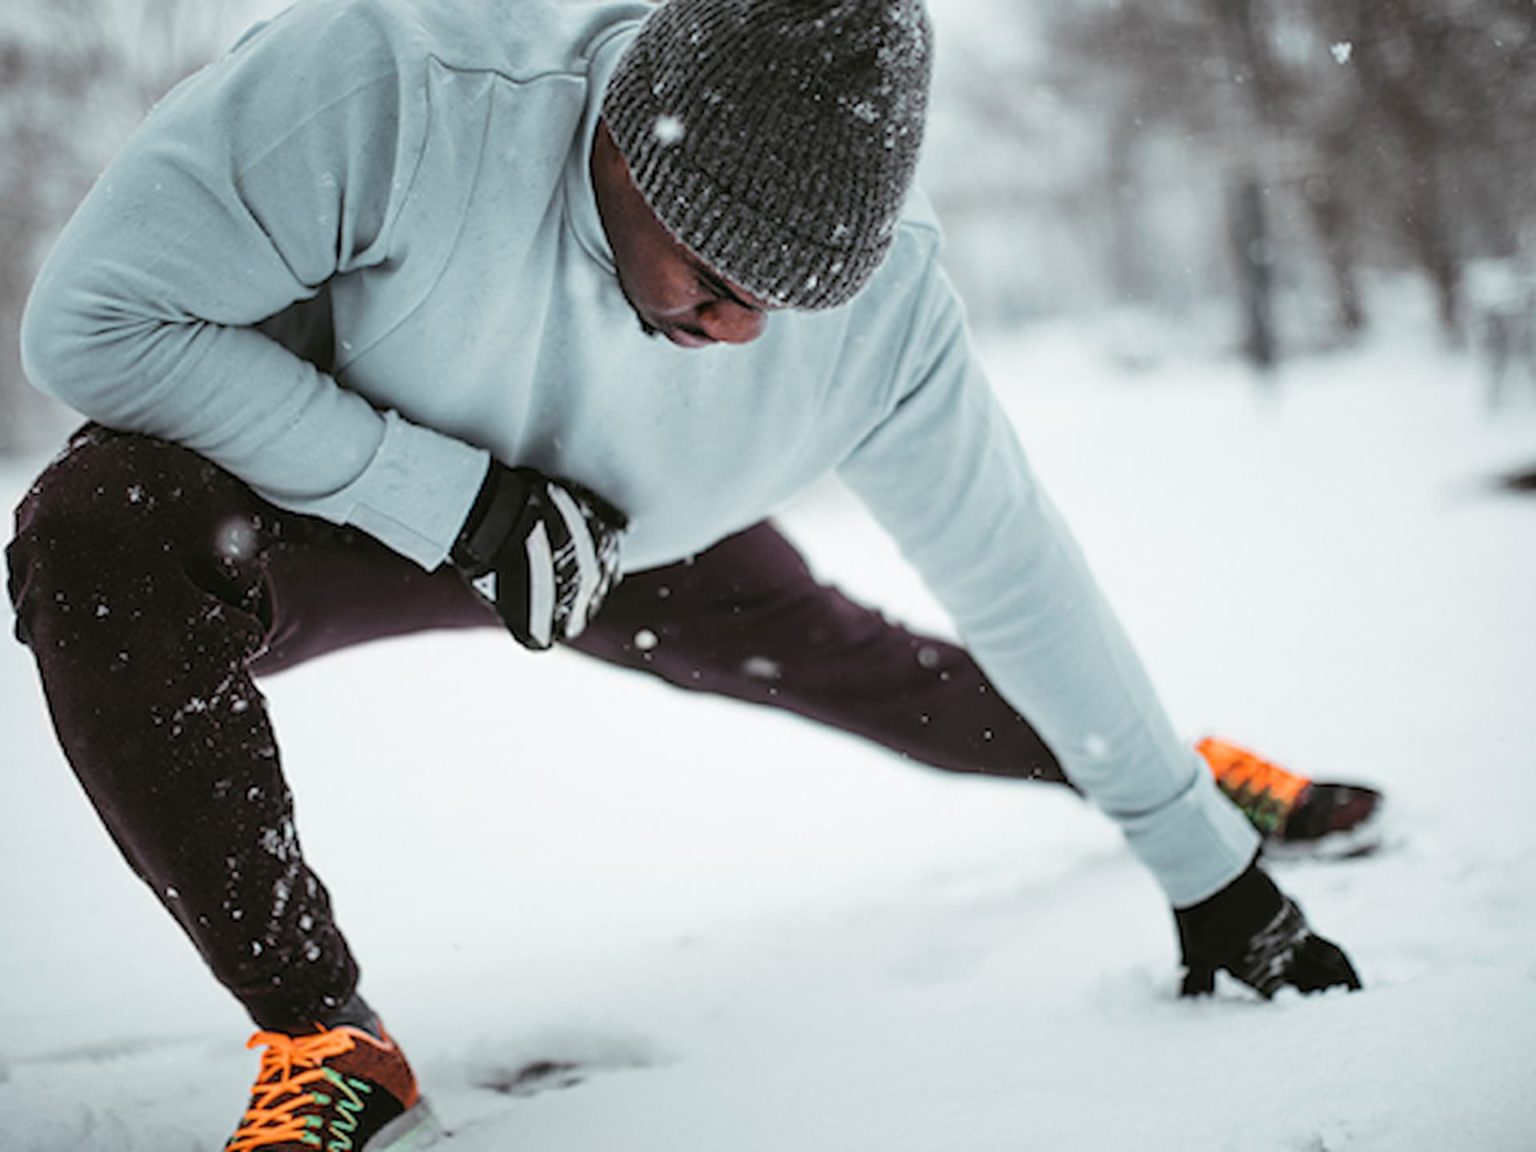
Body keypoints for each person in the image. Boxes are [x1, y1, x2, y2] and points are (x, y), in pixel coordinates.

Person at [6, 0, 1370, 1147]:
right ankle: (327, 1039)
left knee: (867, 666)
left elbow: (1013, 567)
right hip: (336, 499)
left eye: (792, 297)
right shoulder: (395, 86)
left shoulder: (888, 306)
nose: (741, 329)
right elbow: (89, 324)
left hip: (647, 540)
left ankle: (1170, 772)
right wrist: (452, 503)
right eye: (716, 275)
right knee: (98, 536)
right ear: (631, 145)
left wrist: (1201, 862)